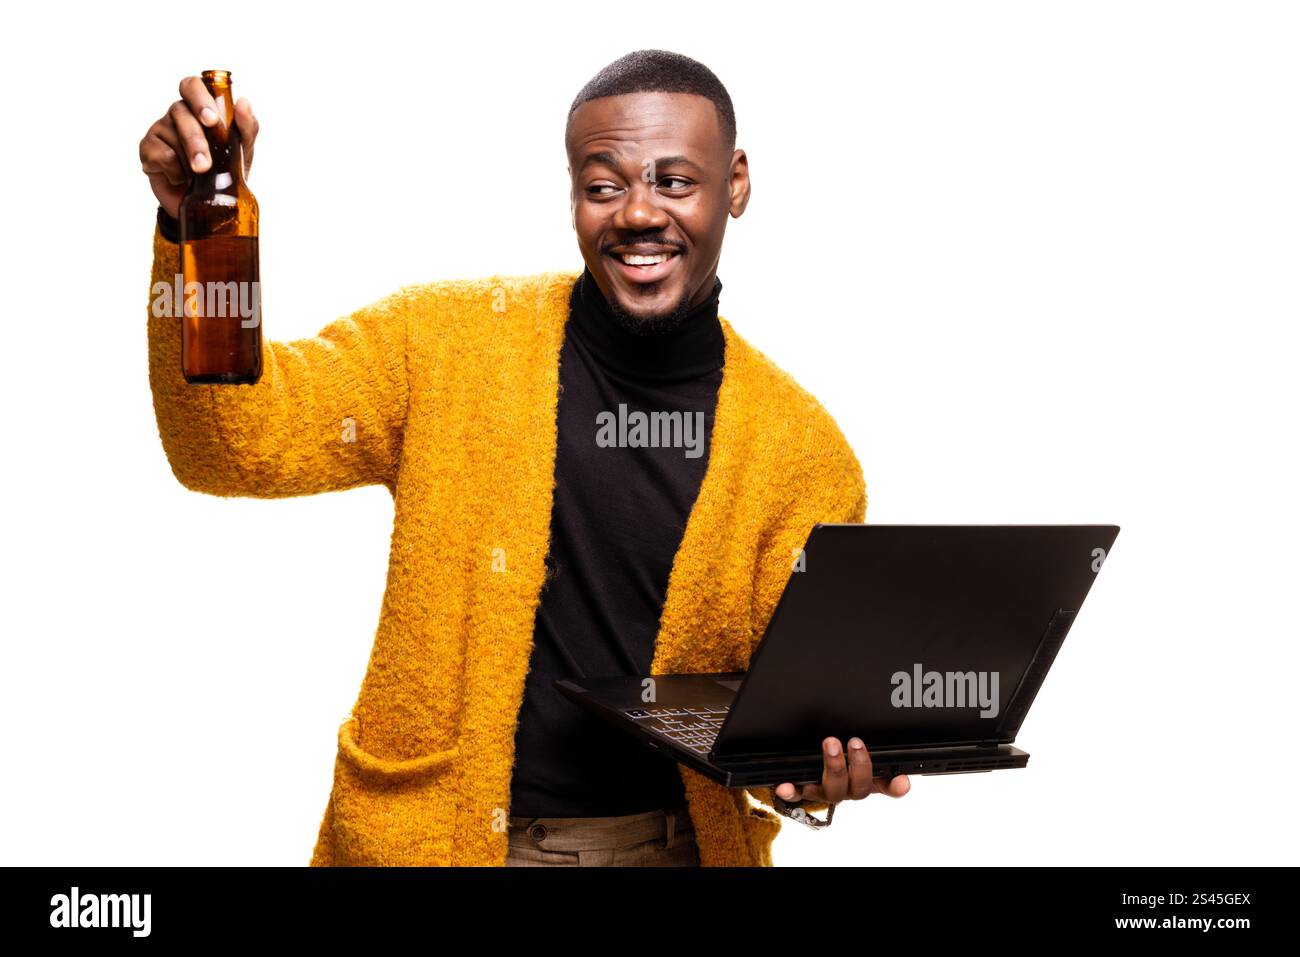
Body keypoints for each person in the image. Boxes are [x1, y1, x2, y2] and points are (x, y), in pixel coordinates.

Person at [139, 49, 910, 868]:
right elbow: (226, 444)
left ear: (737, 183)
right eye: (604, 185)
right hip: (442, 845)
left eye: (676, 182)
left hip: (681, 850)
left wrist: (819, 771)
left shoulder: (802, 454)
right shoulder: (441, 344)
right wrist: (193, 234)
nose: (638, 214)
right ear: (574, 192)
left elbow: (779, 717)